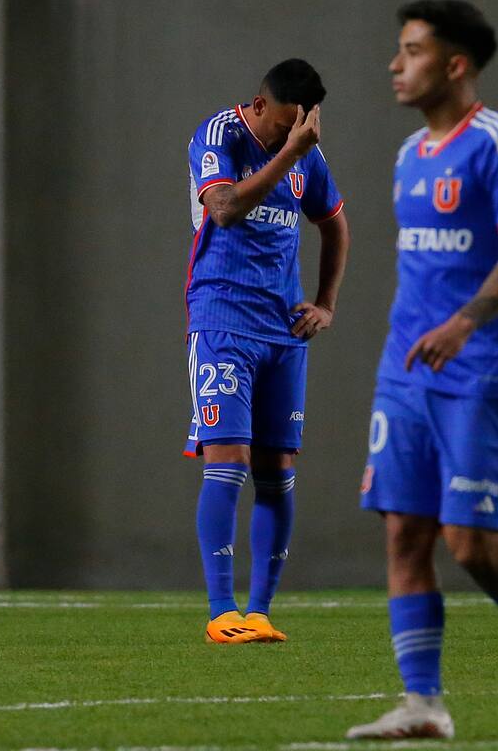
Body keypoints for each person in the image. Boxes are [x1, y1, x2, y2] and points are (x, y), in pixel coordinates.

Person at [348, 0, 498, 740]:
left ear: (455, 65)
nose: (396, 63)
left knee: (471, 544)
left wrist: (465, 322)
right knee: (403, 534)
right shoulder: (408, 157)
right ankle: (424, 705)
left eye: (411, 50)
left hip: (477, 364)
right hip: (405, 371)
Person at [184, 58, 350, 644]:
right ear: (259, 108)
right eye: (281, 126)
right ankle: (220, 612)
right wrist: (289, 153)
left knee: (277, 473)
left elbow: (334, 224)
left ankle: (260, 612)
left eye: (297, 128)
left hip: (283, 330)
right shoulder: (218, 135)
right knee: (225, 460)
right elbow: (223, 209)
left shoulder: (308, 158)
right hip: (222, 320)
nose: (288, 136)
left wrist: (325, 303)